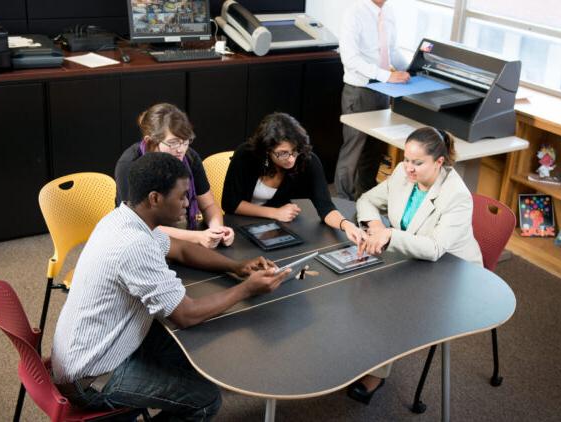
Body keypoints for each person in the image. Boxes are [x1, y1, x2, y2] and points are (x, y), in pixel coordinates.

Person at [51, 152, 290, 420]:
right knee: (206, 400)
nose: (188, 204)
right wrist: (247, 289)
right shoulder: (134, 246)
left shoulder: (126, 218)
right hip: (93, 377)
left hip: (92, 349)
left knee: (194, 358)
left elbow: (181, 250)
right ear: (155, 198)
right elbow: (186, 314)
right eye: (181, 196)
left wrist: (236, 266)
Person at [348, 127, 482, 404]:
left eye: (417, 162)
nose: (408, 167)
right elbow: (367, 200)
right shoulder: (402, 173)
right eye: (406, 159)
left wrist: (390, 235)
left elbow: (434, 248)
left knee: (390, 303)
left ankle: (376, 373)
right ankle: (360, 356)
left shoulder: (456, 196)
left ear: (439, 162)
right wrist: (375, 225)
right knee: (361, 286)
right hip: (413, 259)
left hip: (453, 273)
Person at [221, 112, 366, 244]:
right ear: (267, 150)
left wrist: (346, 225)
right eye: (282, 153)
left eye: (294, 150)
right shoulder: (246, 155)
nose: (291, 159)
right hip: (239, 225)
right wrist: (275, 213)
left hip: (275, 227)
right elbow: (230, 204)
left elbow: (325, 207)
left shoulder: (307, 161)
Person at [115, 102, 235, 249]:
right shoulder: (129, 165)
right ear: (150, 142)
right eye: (173, 143)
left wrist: (217, 231)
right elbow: (141, 225)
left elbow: (209, 205)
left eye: (185, 142)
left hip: (186, 233)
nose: (181, 150)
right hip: (142, 241)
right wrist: (198, 237)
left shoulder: (190, 157)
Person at [334, 0, 411, 201]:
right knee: (354, 151)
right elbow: (350, 59)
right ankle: (343, 202)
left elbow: (390, 50)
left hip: (383, 91)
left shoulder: (388, 11)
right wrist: (386, 76)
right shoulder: (354, 12)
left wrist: (410, 69)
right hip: (359, 90)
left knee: (374, 151)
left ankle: (365, 199)